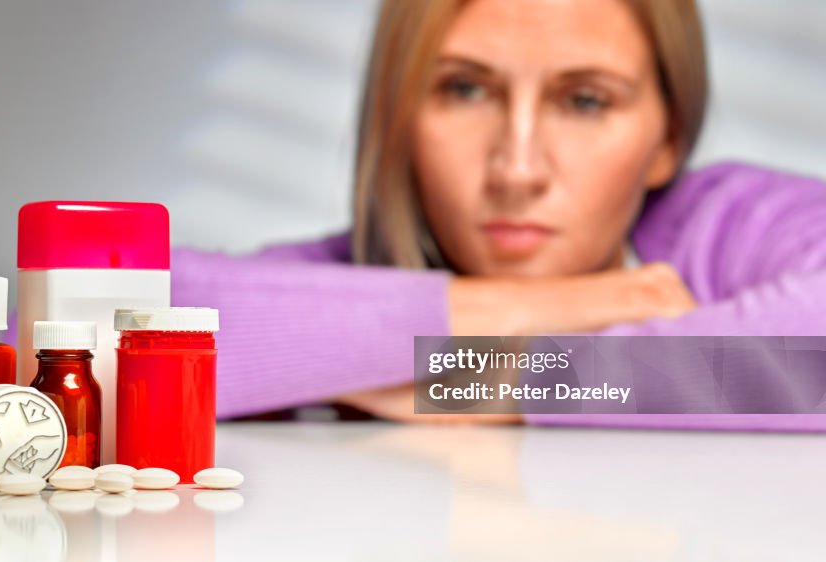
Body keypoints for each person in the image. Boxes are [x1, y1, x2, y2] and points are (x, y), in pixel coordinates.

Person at [173, 0, 826, 429]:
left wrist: (492, 382)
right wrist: (556, 306)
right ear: (398, 119)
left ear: (668, 140)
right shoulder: (349, 273)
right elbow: (115, 322)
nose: (517, 170)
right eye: (464, 89)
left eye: (587, 101)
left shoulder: (728, 226)